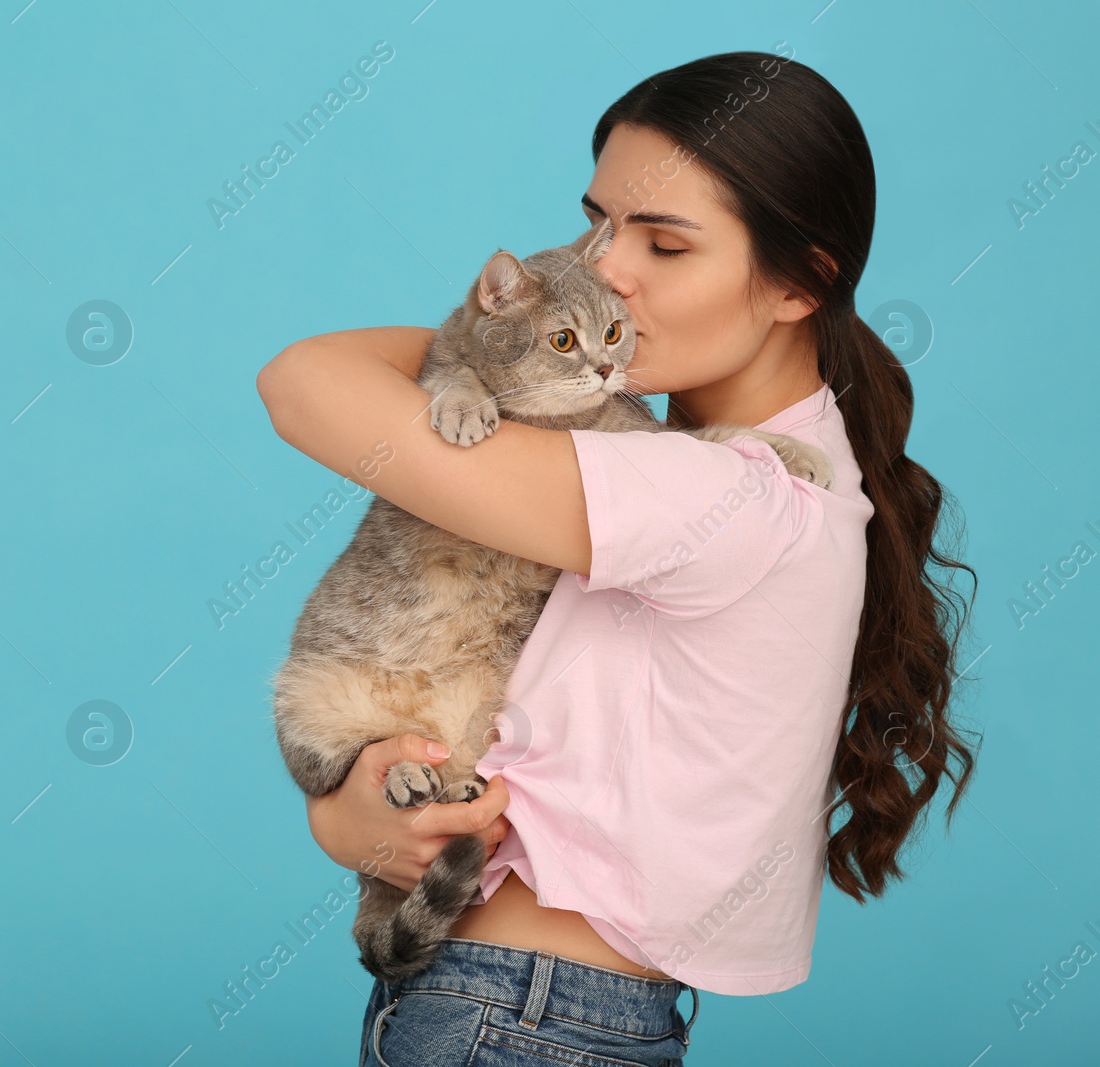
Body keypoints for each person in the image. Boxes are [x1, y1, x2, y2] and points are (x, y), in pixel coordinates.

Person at [255, 50, 981, 1066]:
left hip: (521, 1019)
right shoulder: (713, 463)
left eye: (666, 245)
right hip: (527, 1006)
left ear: (796, 282)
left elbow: (304, 381)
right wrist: (351, 820)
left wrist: (509, 336)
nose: (607, 274)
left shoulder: (719, 491)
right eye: (602, 225)